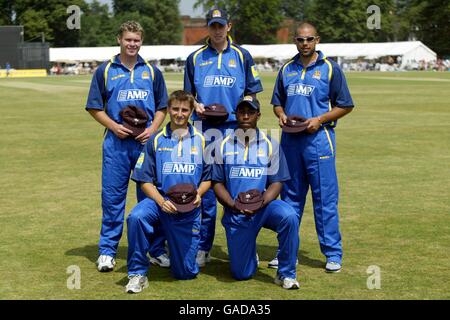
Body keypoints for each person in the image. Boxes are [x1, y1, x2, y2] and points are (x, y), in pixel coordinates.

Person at [85, 21, 169, 272]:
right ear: (119, 40)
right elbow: (94, 106)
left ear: (141, 41)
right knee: (112, 198)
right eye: (128, 39)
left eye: (136, 40)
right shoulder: (105, 70)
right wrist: (113, 126)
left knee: (151, 199)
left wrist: (152, 130)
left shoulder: (152, 72)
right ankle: (108, 251)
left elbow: (162, 107)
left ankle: (155, 249)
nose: (132, 44)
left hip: (145, 145)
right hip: (116, 144)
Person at [271, 22, 354, 273]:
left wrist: (319, 120)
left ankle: (332, 253)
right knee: (290, 199)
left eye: (309, 40)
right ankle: (287, 252)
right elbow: (277, 102)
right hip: (290, 141)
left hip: (320, 141)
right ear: (295, 41)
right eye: (300, 40)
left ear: (317, 40)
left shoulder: (330, 69)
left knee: (324, 198)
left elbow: (346, 105)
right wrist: (282, 115)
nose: (304, 44)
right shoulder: (286, 69)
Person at [184, 7, 263, 267]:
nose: (217, 30)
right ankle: (204, 247)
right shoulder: (194, 57)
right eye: (213, 25)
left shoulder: (242, 55)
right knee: (206, 192)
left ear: (229, 26)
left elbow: (253, 93)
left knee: (240, 188)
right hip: (206, 131)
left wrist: (244, 110)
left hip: (235, 129)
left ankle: (246, 244)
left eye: (221, 25)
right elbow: (187, 96)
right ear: (208, 27)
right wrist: (194, 104)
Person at [125, 90, 212, 293]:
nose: (179, 114)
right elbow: (144, 180)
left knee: (185, 273)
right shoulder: (156, 140)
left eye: (184, 110)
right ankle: (137, 273)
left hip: (189, 207)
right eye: (175, 109)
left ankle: (177, 250)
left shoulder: (202, 140)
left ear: (191, 111)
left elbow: (209, 177)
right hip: (160, 202)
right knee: (136, 217)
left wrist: (198, 194)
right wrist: (161, 201)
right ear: (169, 110)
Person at [212, 96, 300, 289]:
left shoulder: (270, 144)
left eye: (250, 112)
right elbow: (217, 183)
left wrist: (261, 203)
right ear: (235, 114)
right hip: (236, 212)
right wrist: (233, 205)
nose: (245, 115)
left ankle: (286, 273)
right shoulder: (221, 144)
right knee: (242, 274)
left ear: (258, 115)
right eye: (241, 111)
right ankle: (249, 252)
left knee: (289, 216)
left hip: (264, 207)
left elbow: (277, 183)